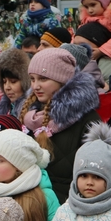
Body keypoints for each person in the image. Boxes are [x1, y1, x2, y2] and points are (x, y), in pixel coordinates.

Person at [18, 48, 102, 203]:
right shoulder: (30, 116)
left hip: (70, 206)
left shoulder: (87, 118)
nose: (36, 86)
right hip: (33, 205)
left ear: (62, 80)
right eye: (33, 79)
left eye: (43, 79)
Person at [0, 48, 31, 116]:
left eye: (13, 81)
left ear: (25, 81)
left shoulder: (30, 111)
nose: (7, 87)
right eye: (4, 82)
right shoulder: (3, 107)